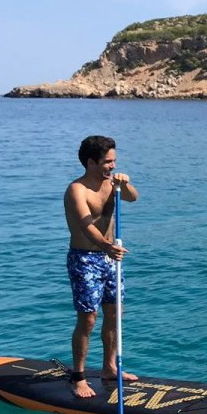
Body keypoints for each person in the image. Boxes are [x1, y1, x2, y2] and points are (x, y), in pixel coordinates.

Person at [64, 135, 139, 398]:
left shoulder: (111, 184)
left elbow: (133, 198)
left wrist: (125, 185)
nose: (112, 166)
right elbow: (86, 226)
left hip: (110, 258)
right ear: (91, 162)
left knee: (115, 313)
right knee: (88, 319)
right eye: (107, 162)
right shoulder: (77, 190)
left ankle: (109, 368)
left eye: (114, 161)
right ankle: (79, 377)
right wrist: (106, 247)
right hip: (85, 259)